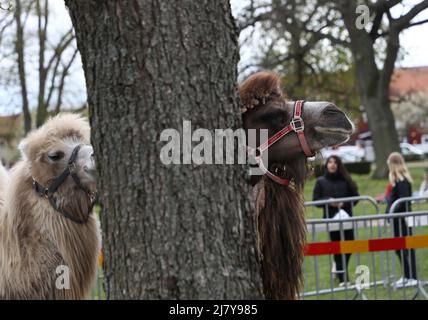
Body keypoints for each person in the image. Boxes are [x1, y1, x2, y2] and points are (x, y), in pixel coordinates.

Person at [313, 155, 359, 286]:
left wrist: (344, 203)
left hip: (347, 218)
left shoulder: (346, 179)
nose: (332, 164)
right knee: (337, 247)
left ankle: (339, 267)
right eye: (330, 162)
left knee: (350, 245)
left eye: (335, 162)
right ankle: (343, 278)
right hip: (331, 220)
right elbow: (316, 201)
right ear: (327, 164)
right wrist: (328, 202)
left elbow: (356, 198)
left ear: (339, 165)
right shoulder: (321, 181)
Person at [386, 152, 418, 288]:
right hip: (397, 218)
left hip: (402, 218)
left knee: (406, 247)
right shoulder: (397, 180)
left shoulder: (402, 180)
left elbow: (403, 201)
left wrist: (392, 211)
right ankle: (406, 275)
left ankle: (412, 277)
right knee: (400, 247)